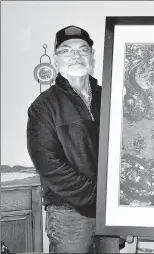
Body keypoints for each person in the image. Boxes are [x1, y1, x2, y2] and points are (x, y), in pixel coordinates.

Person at [26, 25, 120, 253]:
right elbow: (50, 166)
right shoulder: (43, 107)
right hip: (68, 214)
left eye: (83, 50)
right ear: (56, 60)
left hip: (109, 211)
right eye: (67, 50)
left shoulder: (110, 96)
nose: (76, 56)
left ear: (92, 58)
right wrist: (96, 197)